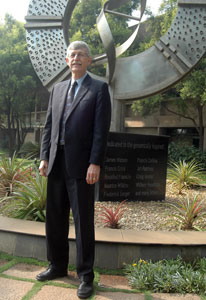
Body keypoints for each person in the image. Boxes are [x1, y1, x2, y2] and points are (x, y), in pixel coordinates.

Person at [36, 41, 111, 299]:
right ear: (67, 61)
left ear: (89, 61)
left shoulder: (99, 89)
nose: (76, 58)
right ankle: (57, 266)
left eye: (81, 55)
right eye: (72, 55)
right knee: (54, 218)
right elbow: (49, 127)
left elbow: (101, 131)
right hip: (56, 162)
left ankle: (85, 276)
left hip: (82, 166)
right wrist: (44, 156)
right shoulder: (56, 90)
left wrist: (95, 162)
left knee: (83, 222)